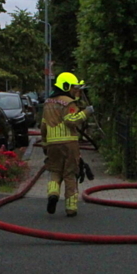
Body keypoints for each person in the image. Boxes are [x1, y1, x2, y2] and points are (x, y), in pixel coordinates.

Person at [41, 72, 93, 217]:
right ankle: (71, 208)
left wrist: (45, 144)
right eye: (74, 88)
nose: (76, 91)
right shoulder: (69, 103)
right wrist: (87, 112)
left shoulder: (47, 103)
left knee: (55, 172)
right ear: (65, 86)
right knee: (70, 174)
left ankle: (53, 194)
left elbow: (43, 126)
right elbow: (71, 120)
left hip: (52, 145)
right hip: (69, 144)